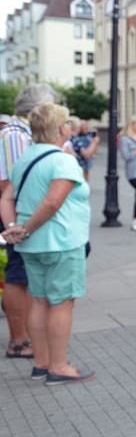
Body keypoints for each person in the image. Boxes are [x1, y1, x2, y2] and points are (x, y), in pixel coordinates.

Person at [1, 103, 92, 385]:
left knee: (39, 301)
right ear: (61, 128)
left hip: (31, 246)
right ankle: (59, 367)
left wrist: (13, 228)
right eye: (68, 123)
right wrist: (25, 228)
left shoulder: (26, 157)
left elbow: (6, 198)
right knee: (62, 303)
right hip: (62, 241)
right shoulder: (63, 160)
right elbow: (52, 203)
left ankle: (40, 364)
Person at [0, 84, 57, 361]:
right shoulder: (15, 135)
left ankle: (24, 336)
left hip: (19, 214)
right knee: (18, 274)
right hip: (17, 215)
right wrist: (18, 223)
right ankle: (19, 341)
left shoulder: (20, 133)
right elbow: (14, 182)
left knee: (22, 274)